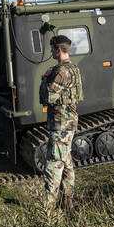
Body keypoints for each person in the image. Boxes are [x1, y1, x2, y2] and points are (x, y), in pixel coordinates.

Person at [40, 35, 83, 210]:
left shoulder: (60, 72)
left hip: (60, 124)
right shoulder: (74, 69)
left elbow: (48, 97)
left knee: (53, 164)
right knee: (66, 162)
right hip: (70, 122)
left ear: (58, 50)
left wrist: (45, 79)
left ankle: (48, 207)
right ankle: (68, 202)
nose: (51, 52)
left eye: (52, 49)